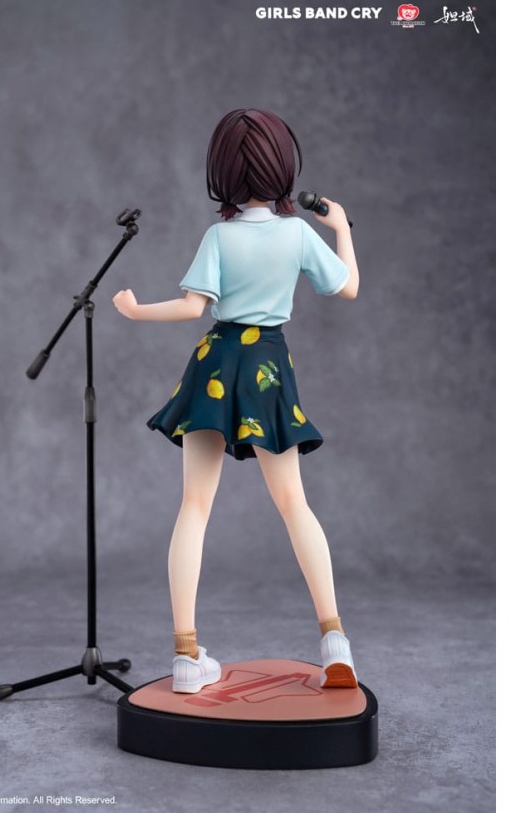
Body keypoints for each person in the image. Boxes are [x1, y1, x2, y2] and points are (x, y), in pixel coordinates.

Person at [113, 108, 360, 694]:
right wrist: (342, 229)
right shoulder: (298, 233)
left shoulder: (219, 237)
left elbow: (191, 307)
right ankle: (335, 642)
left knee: (194, 506)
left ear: (222, 171)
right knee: (294, 503)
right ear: (282, 168)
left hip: (217, 365)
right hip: (267, 367)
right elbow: (347, 287)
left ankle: (185, 656)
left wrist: (135, 310)